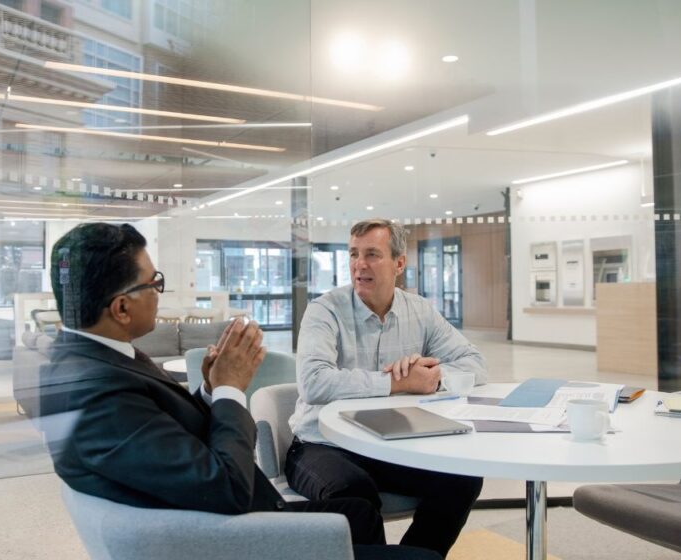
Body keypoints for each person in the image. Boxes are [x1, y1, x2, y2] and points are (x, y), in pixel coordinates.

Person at [38, 222, 439, 560]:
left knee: (358, 511)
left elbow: (162, 440)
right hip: (241, 539)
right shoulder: (96, 391)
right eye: (154, 283)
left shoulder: (99, 363)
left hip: (235, 517)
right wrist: (232, 390)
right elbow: (225, 485)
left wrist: (211, 391)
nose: (160, 293)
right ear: (122, 308)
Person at [287, 219, 487, 558]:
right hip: (320, 444)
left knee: (463, 478)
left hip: (388, 443)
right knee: (356, 496)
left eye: (372, 254)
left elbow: (474, 363)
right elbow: (314, 383)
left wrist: (434, 376)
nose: (359, 264)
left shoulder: (419, 310)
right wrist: (396, 383)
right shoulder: (325, 310)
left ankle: (415, 555)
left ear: (399, 263)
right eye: (353, 254)